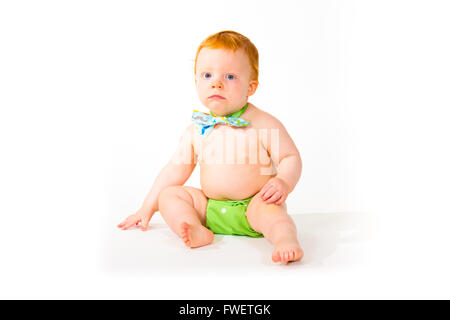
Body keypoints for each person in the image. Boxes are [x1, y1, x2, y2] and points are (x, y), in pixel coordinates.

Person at [117, 30, 304, 263]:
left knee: (275, 216)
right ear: (196, 81)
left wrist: (283, 182)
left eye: (230, 77)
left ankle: (285, 240)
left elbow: (289, 157)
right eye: (207, 75)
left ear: (251, 86)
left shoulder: (265, 124)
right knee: (170, 195)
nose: (216, 83)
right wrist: (146, 208)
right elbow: (174, 170)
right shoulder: (197, 130)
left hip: (255, 206)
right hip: (209, 208)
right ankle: (195, 228)